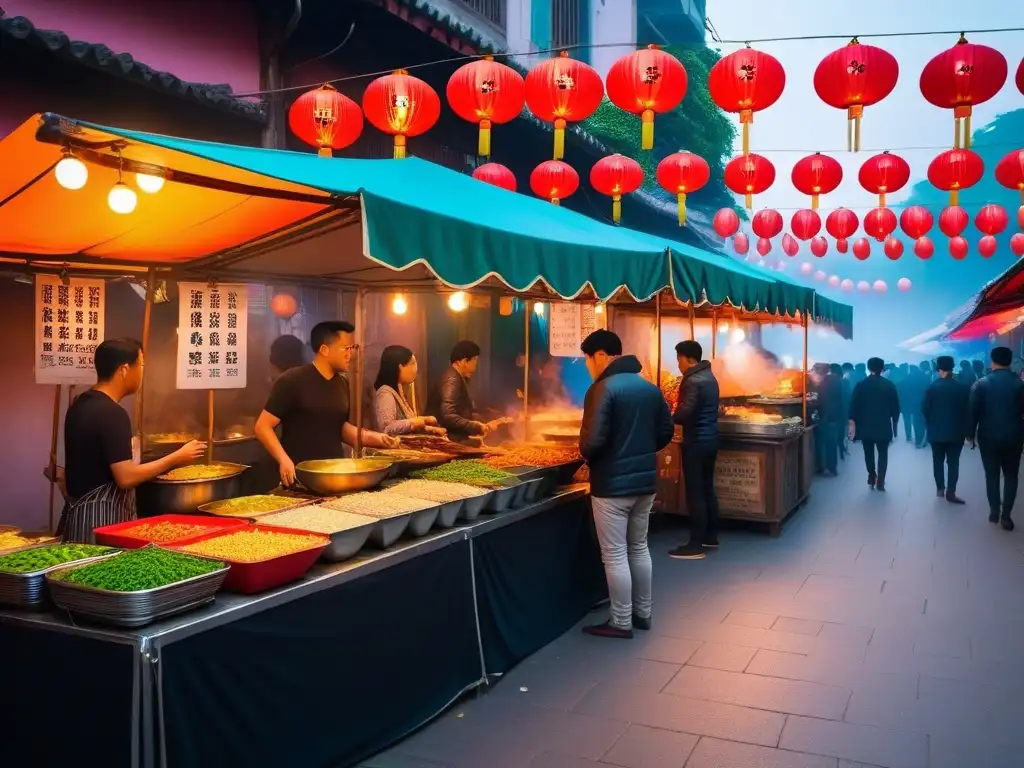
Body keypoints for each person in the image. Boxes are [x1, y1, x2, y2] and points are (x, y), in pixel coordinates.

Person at [61, 339, 206, 542]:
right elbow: (126, 477)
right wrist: (177, 457)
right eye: (142, 365)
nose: (142, 373)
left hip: (79, 521)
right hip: (101, 524)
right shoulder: (112, 413)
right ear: (124, 370)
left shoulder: (79, 406)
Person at [578, 330, 673, 638]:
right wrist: (641, 451)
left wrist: (588, 456)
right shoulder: (649, 388)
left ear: (601, 355)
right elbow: (666, 432)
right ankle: (643, 613)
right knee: (639, 547)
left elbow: (592, 442)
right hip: (645, 482)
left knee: (615, 554)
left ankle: (621, 621)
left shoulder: (602, 388)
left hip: (612, 486)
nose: (588, 366)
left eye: (587, 360)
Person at [255, 321, 398, 488]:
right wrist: (283, 459)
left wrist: (378, 439)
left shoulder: (342, 383)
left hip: (334, 475)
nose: (350, 354)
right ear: (324, 350)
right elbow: (262, 426)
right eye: (345, 348)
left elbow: (339, 427)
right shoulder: (292, 380)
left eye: (352, 348)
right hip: (300, 477)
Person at [669, 340, 721, 560]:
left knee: (695, 492)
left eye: (678, 359)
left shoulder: (692, 380)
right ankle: (710, 536)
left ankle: (695, 544)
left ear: (687, 358)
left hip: (696, 442)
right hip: (710, 441)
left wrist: (668, 416)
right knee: (707, 488)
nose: (678, 364)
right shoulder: (710, 377)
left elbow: (686, 412)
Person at [969, 346, 1024, 530]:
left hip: (988, 436)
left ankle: (994, 509)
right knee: (1011, 476)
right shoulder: (1020, 384)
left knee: (991, 474)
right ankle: (1006, 515)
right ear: (1010, 362)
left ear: (992, 361)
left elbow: (973, 413)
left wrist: (970, 434)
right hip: (1014, 436)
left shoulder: (980, 384)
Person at [425, 341, 504, 443]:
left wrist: (485, 419)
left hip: (449, 438)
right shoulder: (452, 379)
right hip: (441, 440)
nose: (475, 367)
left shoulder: (456, 376)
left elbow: (461, 411)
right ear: (463, 361)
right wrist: (477, 426)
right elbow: (448, 415)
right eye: (474, 361)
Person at [922, 356, 969, 504]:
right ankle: (951, 491)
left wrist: (932, 421)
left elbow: (924, 409)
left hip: (936, 431)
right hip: (956, 432)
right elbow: (967, 410)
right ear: (953, 368)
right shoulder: (962, 388)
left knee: (938, 460)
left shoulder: (932, 387)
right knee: (953, 462)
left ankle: (940, 488)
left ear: (938, 369)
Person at [848, 357, 901, 491]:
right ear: (882, 368)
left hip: (865, 425)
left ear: (869, 368)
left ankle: (871, 475)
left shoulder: (861, 384)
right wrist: (894, 421)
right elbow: (896, 407)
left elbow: (853, 405)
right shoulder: (889, 385)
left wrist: (853, 422)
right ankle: (881, 480)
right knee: (883, 453)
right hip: (883, 424)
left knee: (868, 452)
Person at [373, 345, 446, 436]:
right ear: (400, 367)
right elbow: (387, 428)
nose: (416, 369)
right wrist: (415, 422)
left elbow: (406, 424)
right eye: (412, 364)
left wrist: (429, 427)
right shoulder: (385, 393)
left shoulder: (397, 390)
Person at [814, 363, 843, 475]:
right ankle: (831, 468)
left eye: (817, 370)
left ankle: (825, 467)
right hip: (832, 415)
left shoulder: (829, 380)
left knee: (826, 443)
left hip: (828, 416)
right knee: (831, 443)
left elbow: (824, 399)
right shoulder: (834, 379)